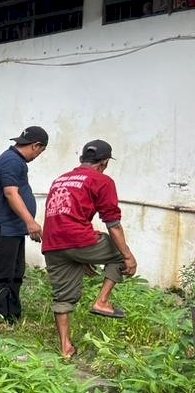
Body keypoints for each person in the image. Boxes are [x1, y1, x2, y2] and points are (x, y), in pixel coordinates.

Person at [41, 140, 137, 360]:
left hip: (53, 243)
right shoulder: (102, 180)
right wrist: (128, 256)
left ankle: (65, 348)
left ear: (81, 159)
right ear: (104, 162)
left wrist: (82, 258)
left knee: (63, 297)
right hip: (79, 239)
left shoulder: (60, 179)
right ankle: (102, 302)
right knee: (118, 253)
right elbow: (112, 223)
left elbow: (62, 214)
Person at [0, 125, 49, 325]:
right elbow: (11, 193)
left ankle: (12, 316)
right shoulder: (11, 161)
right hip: (3, 229)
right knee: (3, 276)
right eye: (41, 151)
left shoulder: (15, 161)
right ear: (36, 146)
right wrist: (31, 222)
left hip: (13, 230)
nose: (39, 155)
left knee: (16, 275)